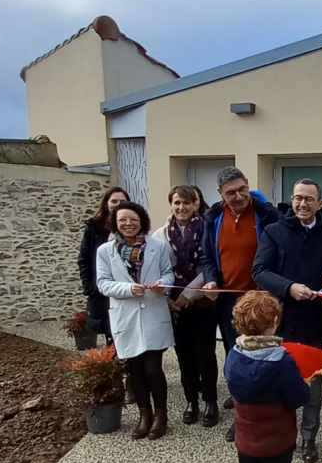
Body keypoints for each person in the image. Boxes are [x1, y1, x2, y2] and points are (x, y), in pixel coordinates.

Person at [253, 179, 322, 463]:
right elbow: (259, 271)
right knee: (279, 379)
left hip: (315, 321)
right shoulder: (274, 232)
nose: (302, 204)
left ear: (321, 203)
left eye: (308, 199)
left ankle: (309, 437)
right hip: (279, 321)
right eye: (297, 198)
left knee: (312, 382)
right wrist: (289, 287)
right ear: (291, 201)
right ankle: (283, 434)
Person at [225, 290, 311, 463]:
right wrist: (304, 381)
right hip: (277, 438)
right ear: (274, 322)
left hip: (246, 437)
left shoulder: (234, 354)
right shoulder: (282, 361)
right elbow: (298, 398)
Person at [199, 166, 282, 440]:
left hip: (261, 302)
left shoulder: (267, 215)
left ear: (248, 184)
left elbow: (279, 256)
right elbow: (207, 258)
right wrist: (211, 280)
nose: (238, 196)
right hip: (227, 303)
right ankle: (242, 409)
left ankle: (259, 412)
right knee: (236, 358)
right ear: (220, 194)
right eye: (231, 193)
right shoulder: (212, 218)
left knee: (260, 359)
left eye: (242, 189)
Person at [95, 200, 175, 440]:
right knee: (135, 370)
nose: (128, 224)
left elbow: (168, 273)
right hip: (125, 316)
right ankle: (144, 415)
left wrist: (164, 285)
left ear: (142, 221)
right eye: (122, 220)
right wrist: (128, 289)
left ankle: (161, 416)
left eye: (133, 220)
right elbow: (103, 283)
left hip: (153, 313)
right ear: (115, 223)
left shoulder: (157, 246)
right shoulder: (105, 251)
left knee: (153, 368)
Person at [152, 186, 220, 429]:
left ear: (195, 204)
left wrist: (188, 295)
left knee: (205, 355)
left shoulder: (207, 230)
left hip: (201, 301)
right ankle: (191, 401)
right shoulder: (160, 235)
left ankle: (210, 401)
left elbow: (209, 266)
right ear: (171, 204)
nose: (182, 208)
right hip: (174, 306)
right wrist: (170, 300)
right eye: (177, 202)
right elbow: (159, 268)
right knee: (184, 357)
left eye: (187, 203)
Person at [77, 186, 130, 343]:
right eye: (114, 201)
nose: (118, 204)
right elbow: (84, 259)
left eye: (122, 201)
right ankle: (115, 367)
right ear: (106, 203)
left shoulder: (133, 226)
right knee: (111, 337)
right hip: (103, 291)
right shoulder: (94, 227)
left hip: (127, 291)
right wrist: (90, 287)